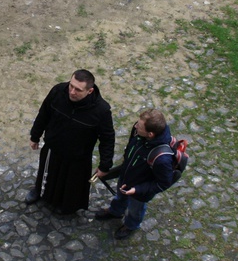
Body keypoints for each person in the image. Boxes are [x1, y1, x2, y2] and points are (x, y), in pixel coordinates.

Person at [26, 69, 115, 215]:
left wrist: (105, 165)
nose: (72, 92)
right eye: (71, 86)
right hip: (53, 148)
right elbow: (44, 113)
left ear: (90, 91)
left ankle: (66, 205)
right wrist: (35, 136)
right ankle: (39, 191)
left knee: (70, 185)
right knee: (46, 174)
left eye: (78, 90)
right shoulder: (58, 91)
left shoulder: (102, 110)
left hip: (78, 156)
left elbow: (107, 138)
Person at [94, 109, 174, 239]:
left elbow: (163, 183)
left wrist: (137, 190)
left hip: (139, 192)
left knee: (135, 209)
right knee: (120, 197)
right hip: (126, 177)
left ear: (151, 134)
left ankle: (131, 225)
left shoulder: (162, 159)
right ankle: (116, 211)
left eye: (140, 126)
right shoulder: (138, 132)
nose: (136, 126)